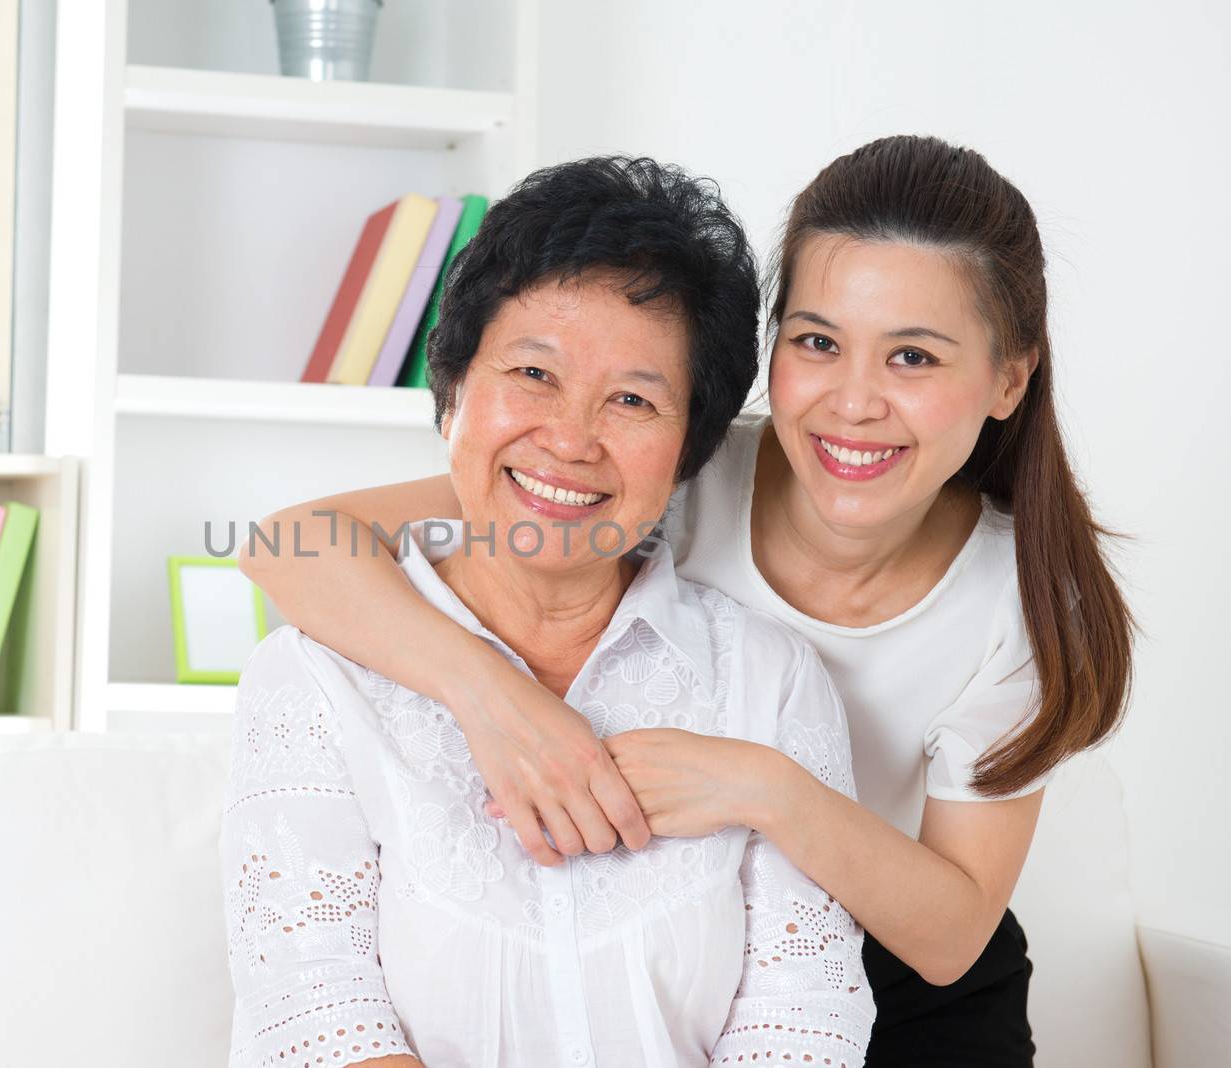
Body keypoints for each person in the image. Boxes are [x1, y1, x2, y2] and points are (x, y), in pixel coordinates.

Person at [239, 135, 1135, 1065]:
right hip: (710, 945)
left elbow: (951, 940)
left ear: (1009, 377)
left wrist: (760, 784)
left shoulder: (1020, 603)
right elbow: (292, 545)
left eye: (912, 357)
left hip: (904, 980)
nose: (854, 401)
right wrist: (497, 699)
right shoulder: (671, 469)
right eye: (818, 342)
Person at [220, 156, 874, 1067]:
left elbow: (804, 1020)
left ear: (689, 449)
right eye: (533, 373)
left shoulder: (768, 681)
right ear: (451, 392)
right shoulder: (314, 676)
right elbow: (314, 1012)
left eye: (634, 400)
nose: (570, 440)